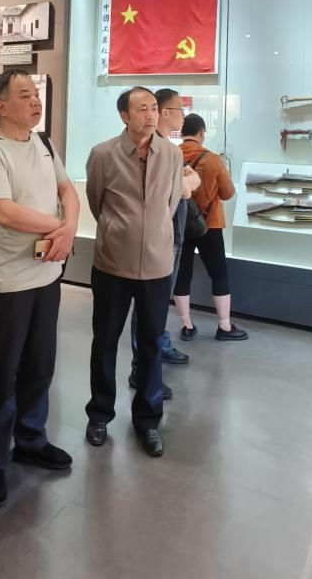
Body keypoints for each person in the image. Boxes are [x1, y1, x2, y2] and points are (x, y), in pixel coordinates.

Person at [0, 71, 78, 506]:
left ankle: (31, 439)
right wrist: (60, 228)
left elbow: (67, 189)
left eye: (36, 94)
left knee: (40, 364)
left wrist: (68, 227)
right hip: (7, 280)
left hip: (46, 274)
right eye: (25, 95)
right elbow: (5, 212)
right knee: (0, 373)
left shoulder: (44, 143)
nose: (35, 101)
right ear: (1, 106)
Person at [84, 87, 183, 457]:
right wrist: (119, 230)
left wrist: (152, 232)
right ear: (124, 116)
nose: (151, 115)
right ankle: (99, 414)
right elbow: (96, 201)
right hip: (113, 263)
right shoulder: (103, 154)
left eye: (154, 108)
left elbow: (171, 202)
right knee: (105, 340)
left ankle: (148, 420)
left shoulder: (172, 154)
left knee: (152, 343)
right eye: (142, 109)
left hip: (157, 265)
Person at [127, 88, 198, 396]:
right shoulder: (145, 150)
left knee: (158, 303)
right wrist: (187, 181)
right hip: (155, 240)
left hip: (172, 236)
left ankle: (158, 348)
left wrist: (186, 180)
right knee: (147, 305)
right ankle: (141, 369)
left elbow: (182, 183)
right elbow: (181, 188)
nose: (182, 116)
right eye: (179, 110)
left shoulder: (170, 150)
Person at [176, 113, 247, 341]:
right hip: (210, 224)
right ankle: (224, 327)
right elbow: (227, 193)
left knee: (182, 274)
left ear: (182, 132)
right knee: (218, 274)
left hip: (179, 223)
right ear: (202, 133)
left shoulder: (171, 156)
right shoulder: (213, 159)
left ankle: (186, 325)